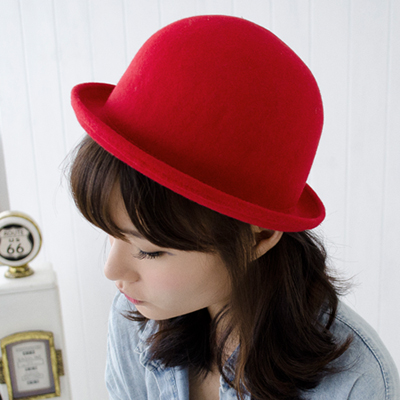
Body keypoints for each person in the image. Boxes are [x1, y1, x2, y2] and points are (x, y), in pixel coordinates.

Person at [68, 15, 399, 400]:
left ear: (259, 236)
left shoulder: (354, 382)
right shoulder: (136, 320)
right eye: (110, 234)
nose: (112, 271)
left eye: (149, 251)